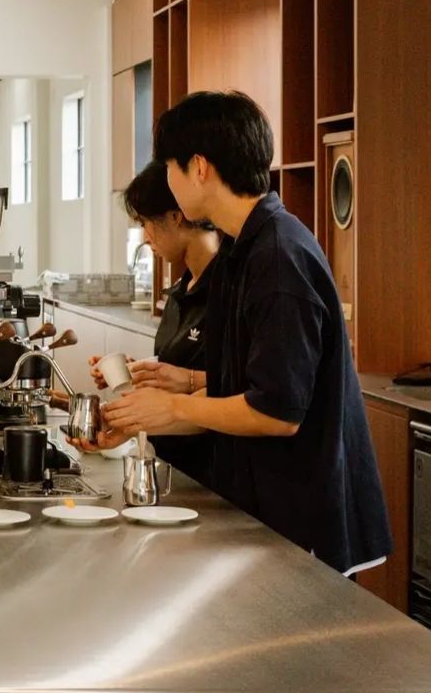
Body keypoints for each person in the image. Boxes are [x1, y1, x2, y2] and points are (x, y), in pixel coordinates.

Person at [102, 91, 392, 577]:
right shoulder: (244, 249)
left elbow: (277, 412)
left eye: (169, 167)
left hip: (304, 520)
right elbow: (245, 391)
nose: (167, 182)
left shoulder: (277, 257)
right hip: (262, 507)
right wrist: (160, 403)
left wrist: (172, 406)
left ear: (198, 168)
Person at [64, 161, 221, 483]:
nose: (144, 236)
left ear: (176, 216)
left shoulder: (232, 288)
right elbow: (180, 372)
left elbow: (249, 388)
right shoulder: (180, 292)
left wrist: (187, 381)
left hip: (217, 474)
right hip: (174, 469)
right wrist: (142, 374)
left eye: (144, 222)